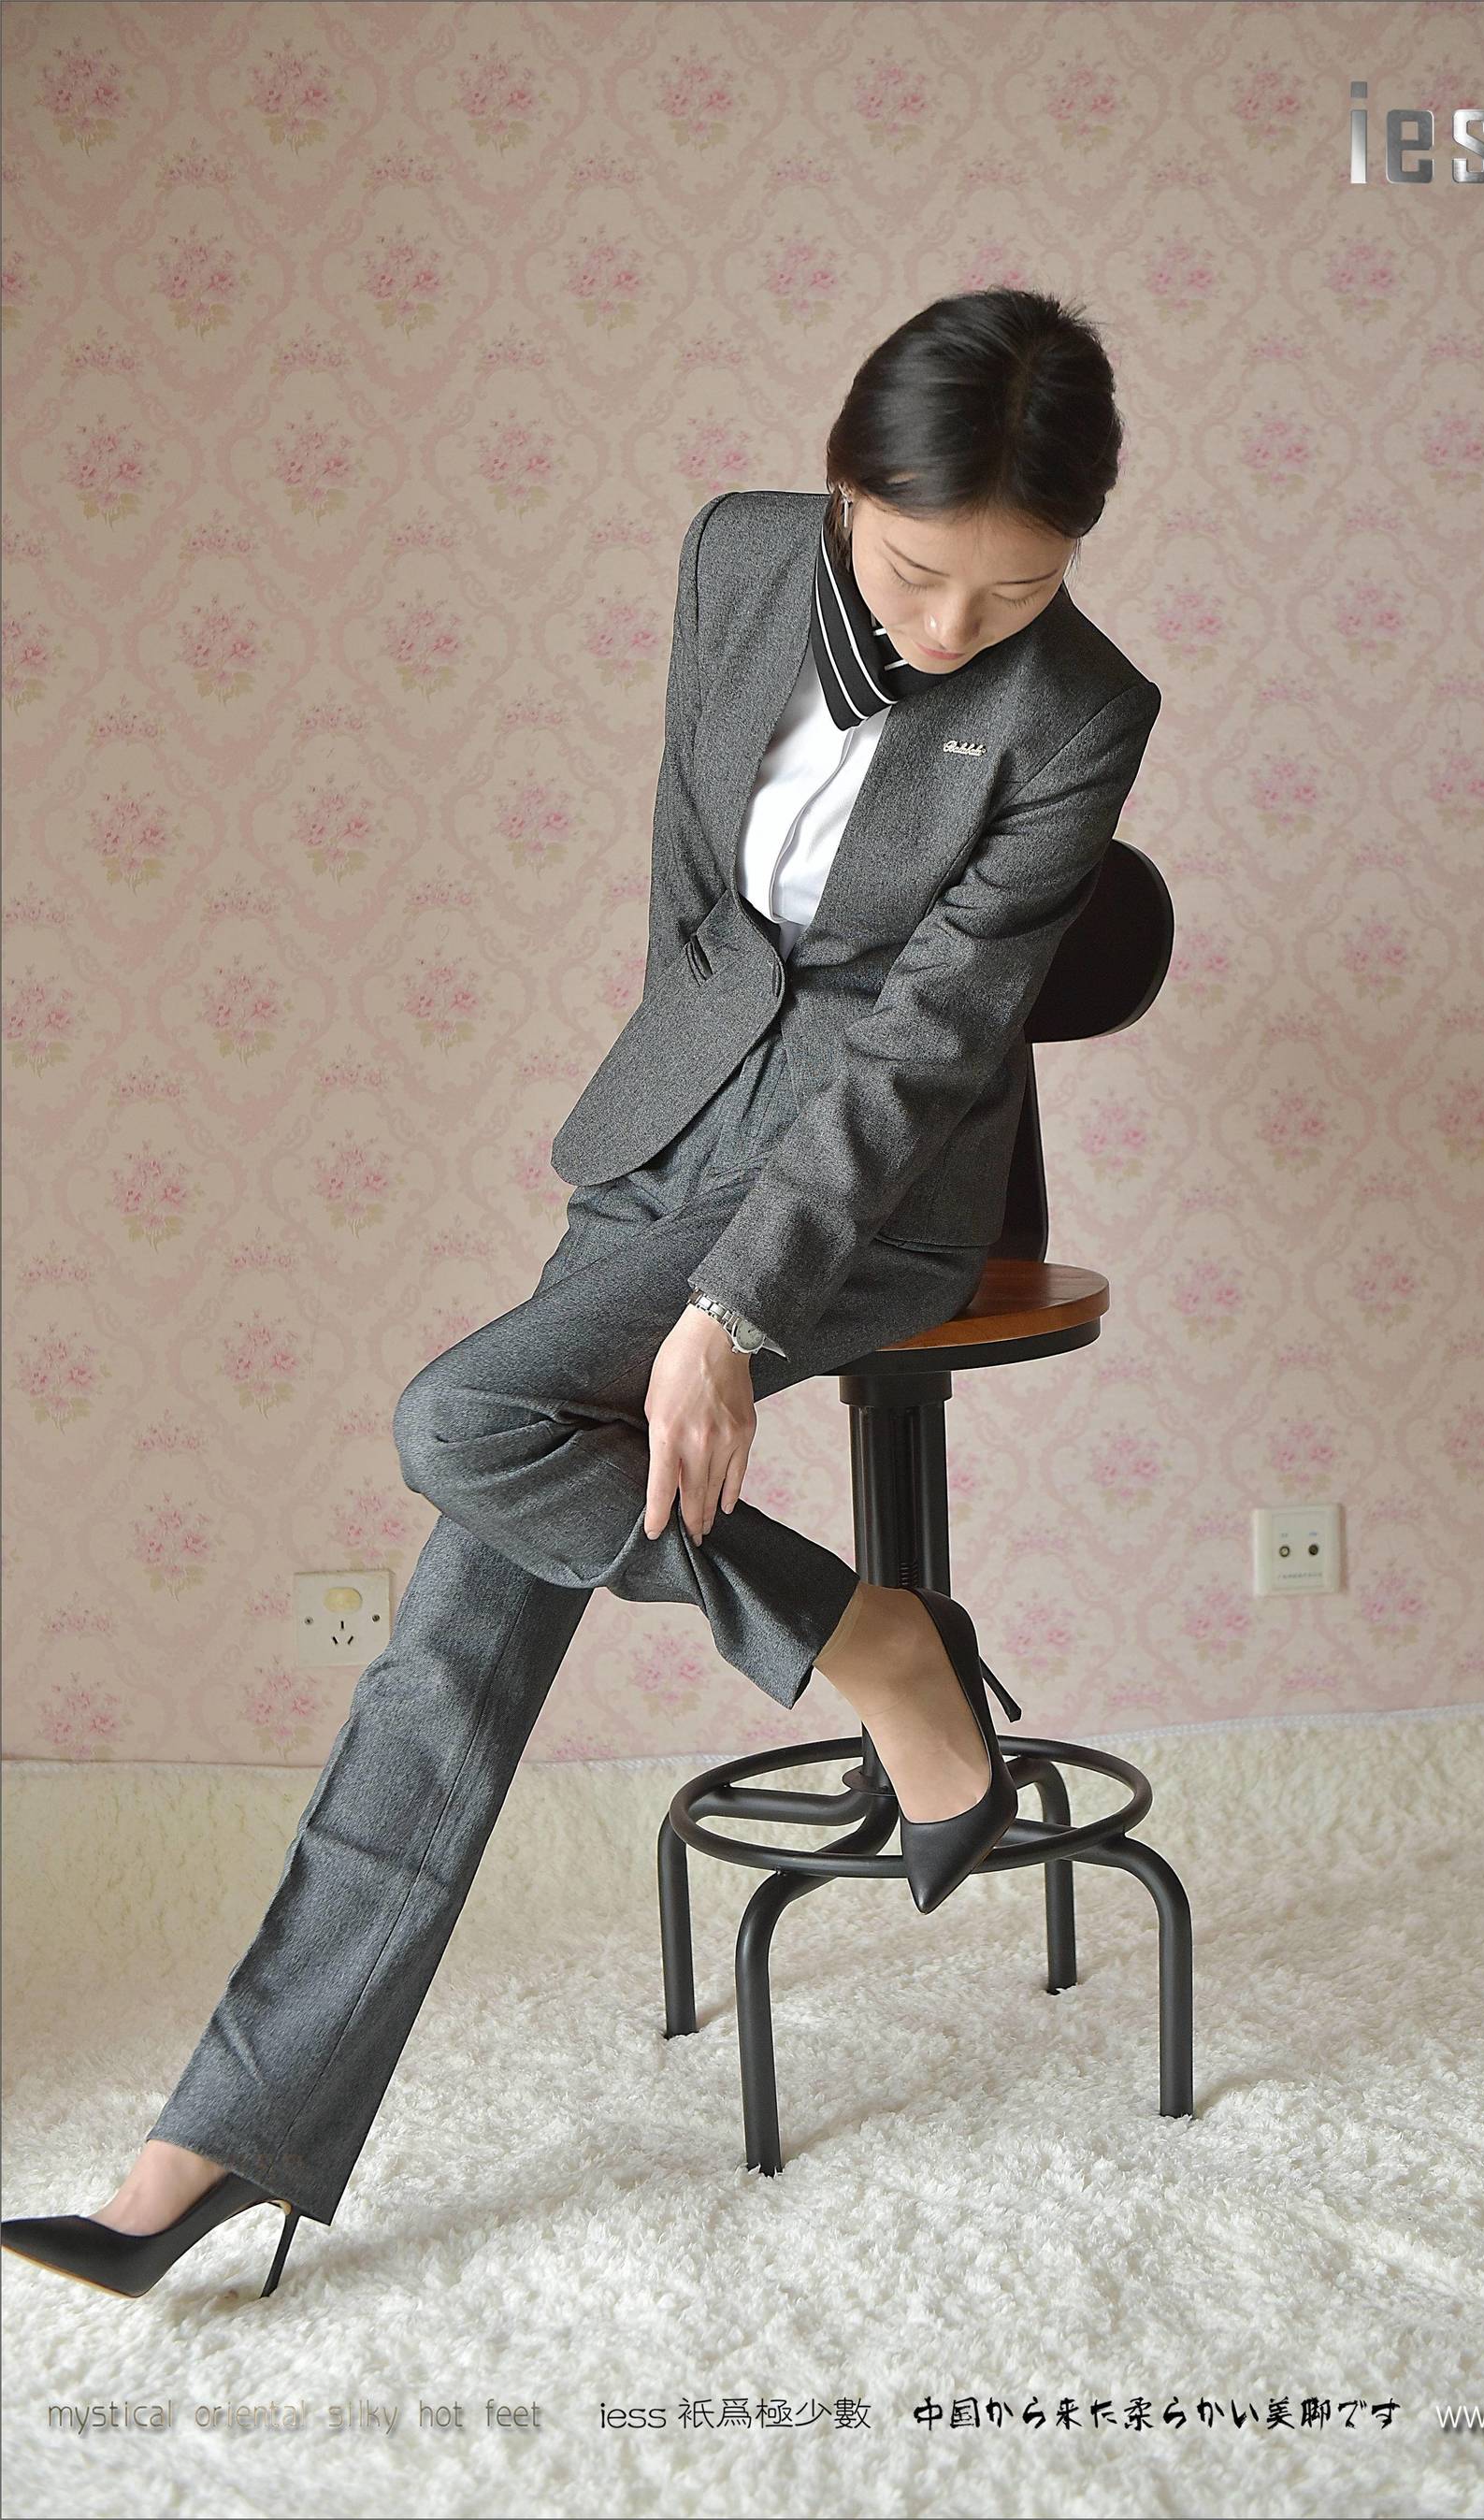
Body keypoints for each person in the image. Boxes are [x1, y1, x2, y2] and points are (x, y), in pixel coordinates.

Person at [1, 286, 1163, 2301]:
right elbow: (688, 888)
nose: (952, 630)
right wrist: (656, 1172)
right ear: (839, 486)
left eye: (1017, 589)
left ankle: (883, 1658)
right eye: (914, 574)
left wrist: (727, 1310)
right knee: (457, 1623)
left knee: (461, 1427)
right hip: (674, 1127)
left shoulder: (1082, 713)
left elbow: (929, 1045)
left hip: (875, 1192)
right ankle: (227, 2137)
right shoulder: (734, 558)